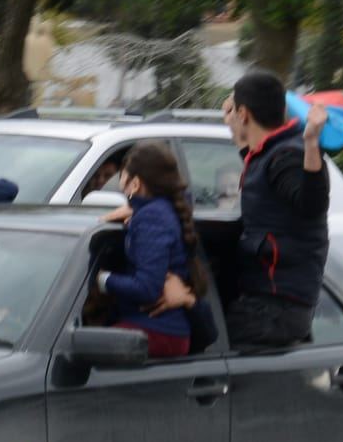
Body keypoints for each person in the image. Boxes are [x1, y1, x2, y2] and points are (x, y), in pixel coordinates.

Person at [223, 70, 330, 346]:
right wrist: (236, 128)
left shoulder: (288, 154)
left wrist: (311, 142)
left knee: (201, 337)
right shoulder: (270, 154)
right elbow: (257, 164)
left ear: (244, 113)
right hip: (270, 303)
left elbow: (312, 204)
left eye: (234, 111)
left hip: (276, 309)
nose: (231, 116)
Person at [94, 141, 209, 358]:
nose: (119, 182)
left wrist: (100, 279)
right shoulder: (160, 211)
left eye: (121, 175)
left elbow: (147, 288)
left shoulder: (152, 217)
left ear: (135, 183)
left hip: (157, 332)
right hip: (160, 329)